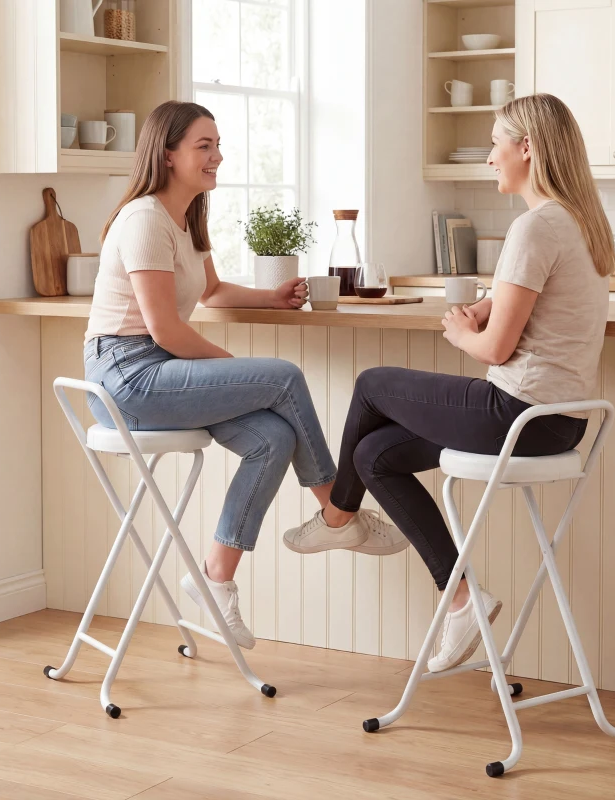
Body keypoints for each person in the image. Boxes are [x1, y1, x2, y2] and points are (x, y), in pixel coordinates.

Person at [283, 94, 613, 673]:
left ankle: (338, 517)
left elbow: (495, 349)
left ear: (527, 148)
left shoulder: (534, 227)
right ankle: (462, 600)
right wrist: (487, 307)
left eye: (495, 143)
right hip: (558, 425)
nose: (490, 157)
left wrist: (463, 332)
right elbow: (529, 306)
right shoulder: (580, 223)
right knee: (374, 454)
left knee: (371, 383)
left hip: (514, 412)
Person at [84, 101, 406, 650]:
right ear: (167, 154)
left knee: (273, 438)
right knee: (281, 376)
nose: (217, 156)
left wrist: (272, 298)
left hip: (158, 370)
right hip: (126, 378)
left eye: (217, 145)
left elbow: (210, 292)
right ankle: (336, 511)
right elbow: (164, 330)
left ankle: (215, 578)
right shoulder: (143, 218)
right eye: (203, 146)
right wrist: (239, 373)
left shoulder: (185, 218)